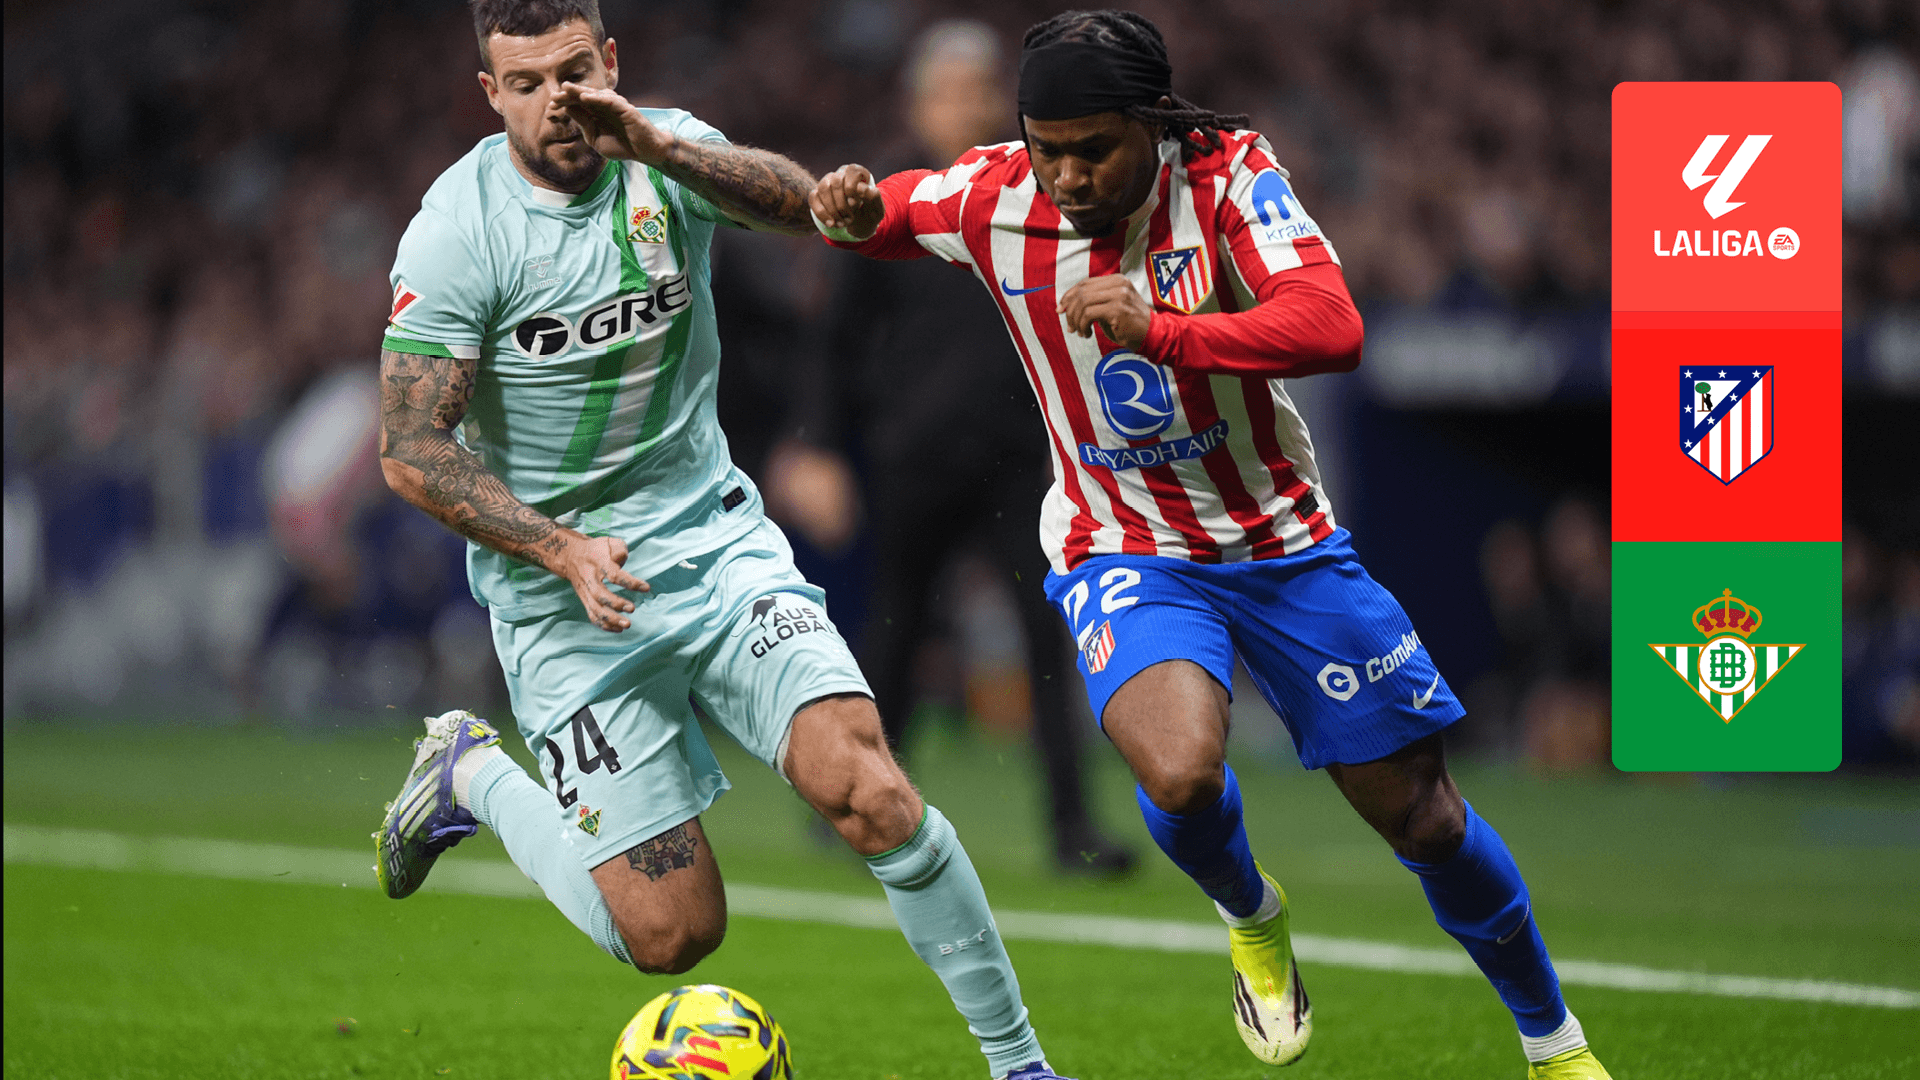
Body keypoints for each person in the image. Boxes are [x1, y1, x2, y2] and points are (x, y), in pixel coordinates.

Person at [809, 9, 1610, 1079]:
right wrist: (841, 204)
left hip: (1282, 542)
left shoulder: (1231, 177)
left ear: (1153, 123)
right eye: (1048, 150)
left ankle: (1553, 1042)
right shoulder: (995, 192)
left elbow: (1332, 325)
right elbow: (882, 212)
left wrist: (1164, 330)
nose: (1067, 176)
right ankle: (1251, 914)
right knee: (1182, 772)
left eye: (1093, 149)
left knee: (1422, 816)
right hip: (1122, 542)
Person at [372, 4, 1074, 1078]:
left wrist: (657, 146)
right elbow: (411, 446)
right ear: (490, 95)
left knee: (871, 788)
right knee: (672, 934)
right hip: (563, 599)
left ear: (611, 62)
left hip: (712, 541)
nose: (557, 102)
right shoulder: (458, 230)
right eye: (525, 84)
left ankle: (1021, 1065)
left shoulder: (666, 154)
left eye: (574, 72)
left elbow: (808, 213)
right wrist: (559, 549)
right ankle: (472, 776)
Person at [770, 19, 1134, 875]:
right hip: (915, 453)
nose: (966, 106)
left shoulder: (1035, 190)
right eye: (950, 92)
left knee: (1050, 640)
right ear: (920, 102)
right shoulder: (883, 198)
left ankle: (1074, 827)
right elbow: (832, 339)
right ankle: (859, 807)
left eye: (979, 91)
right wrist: (814, 445)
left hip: (1024, 459)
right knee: (893, 637)